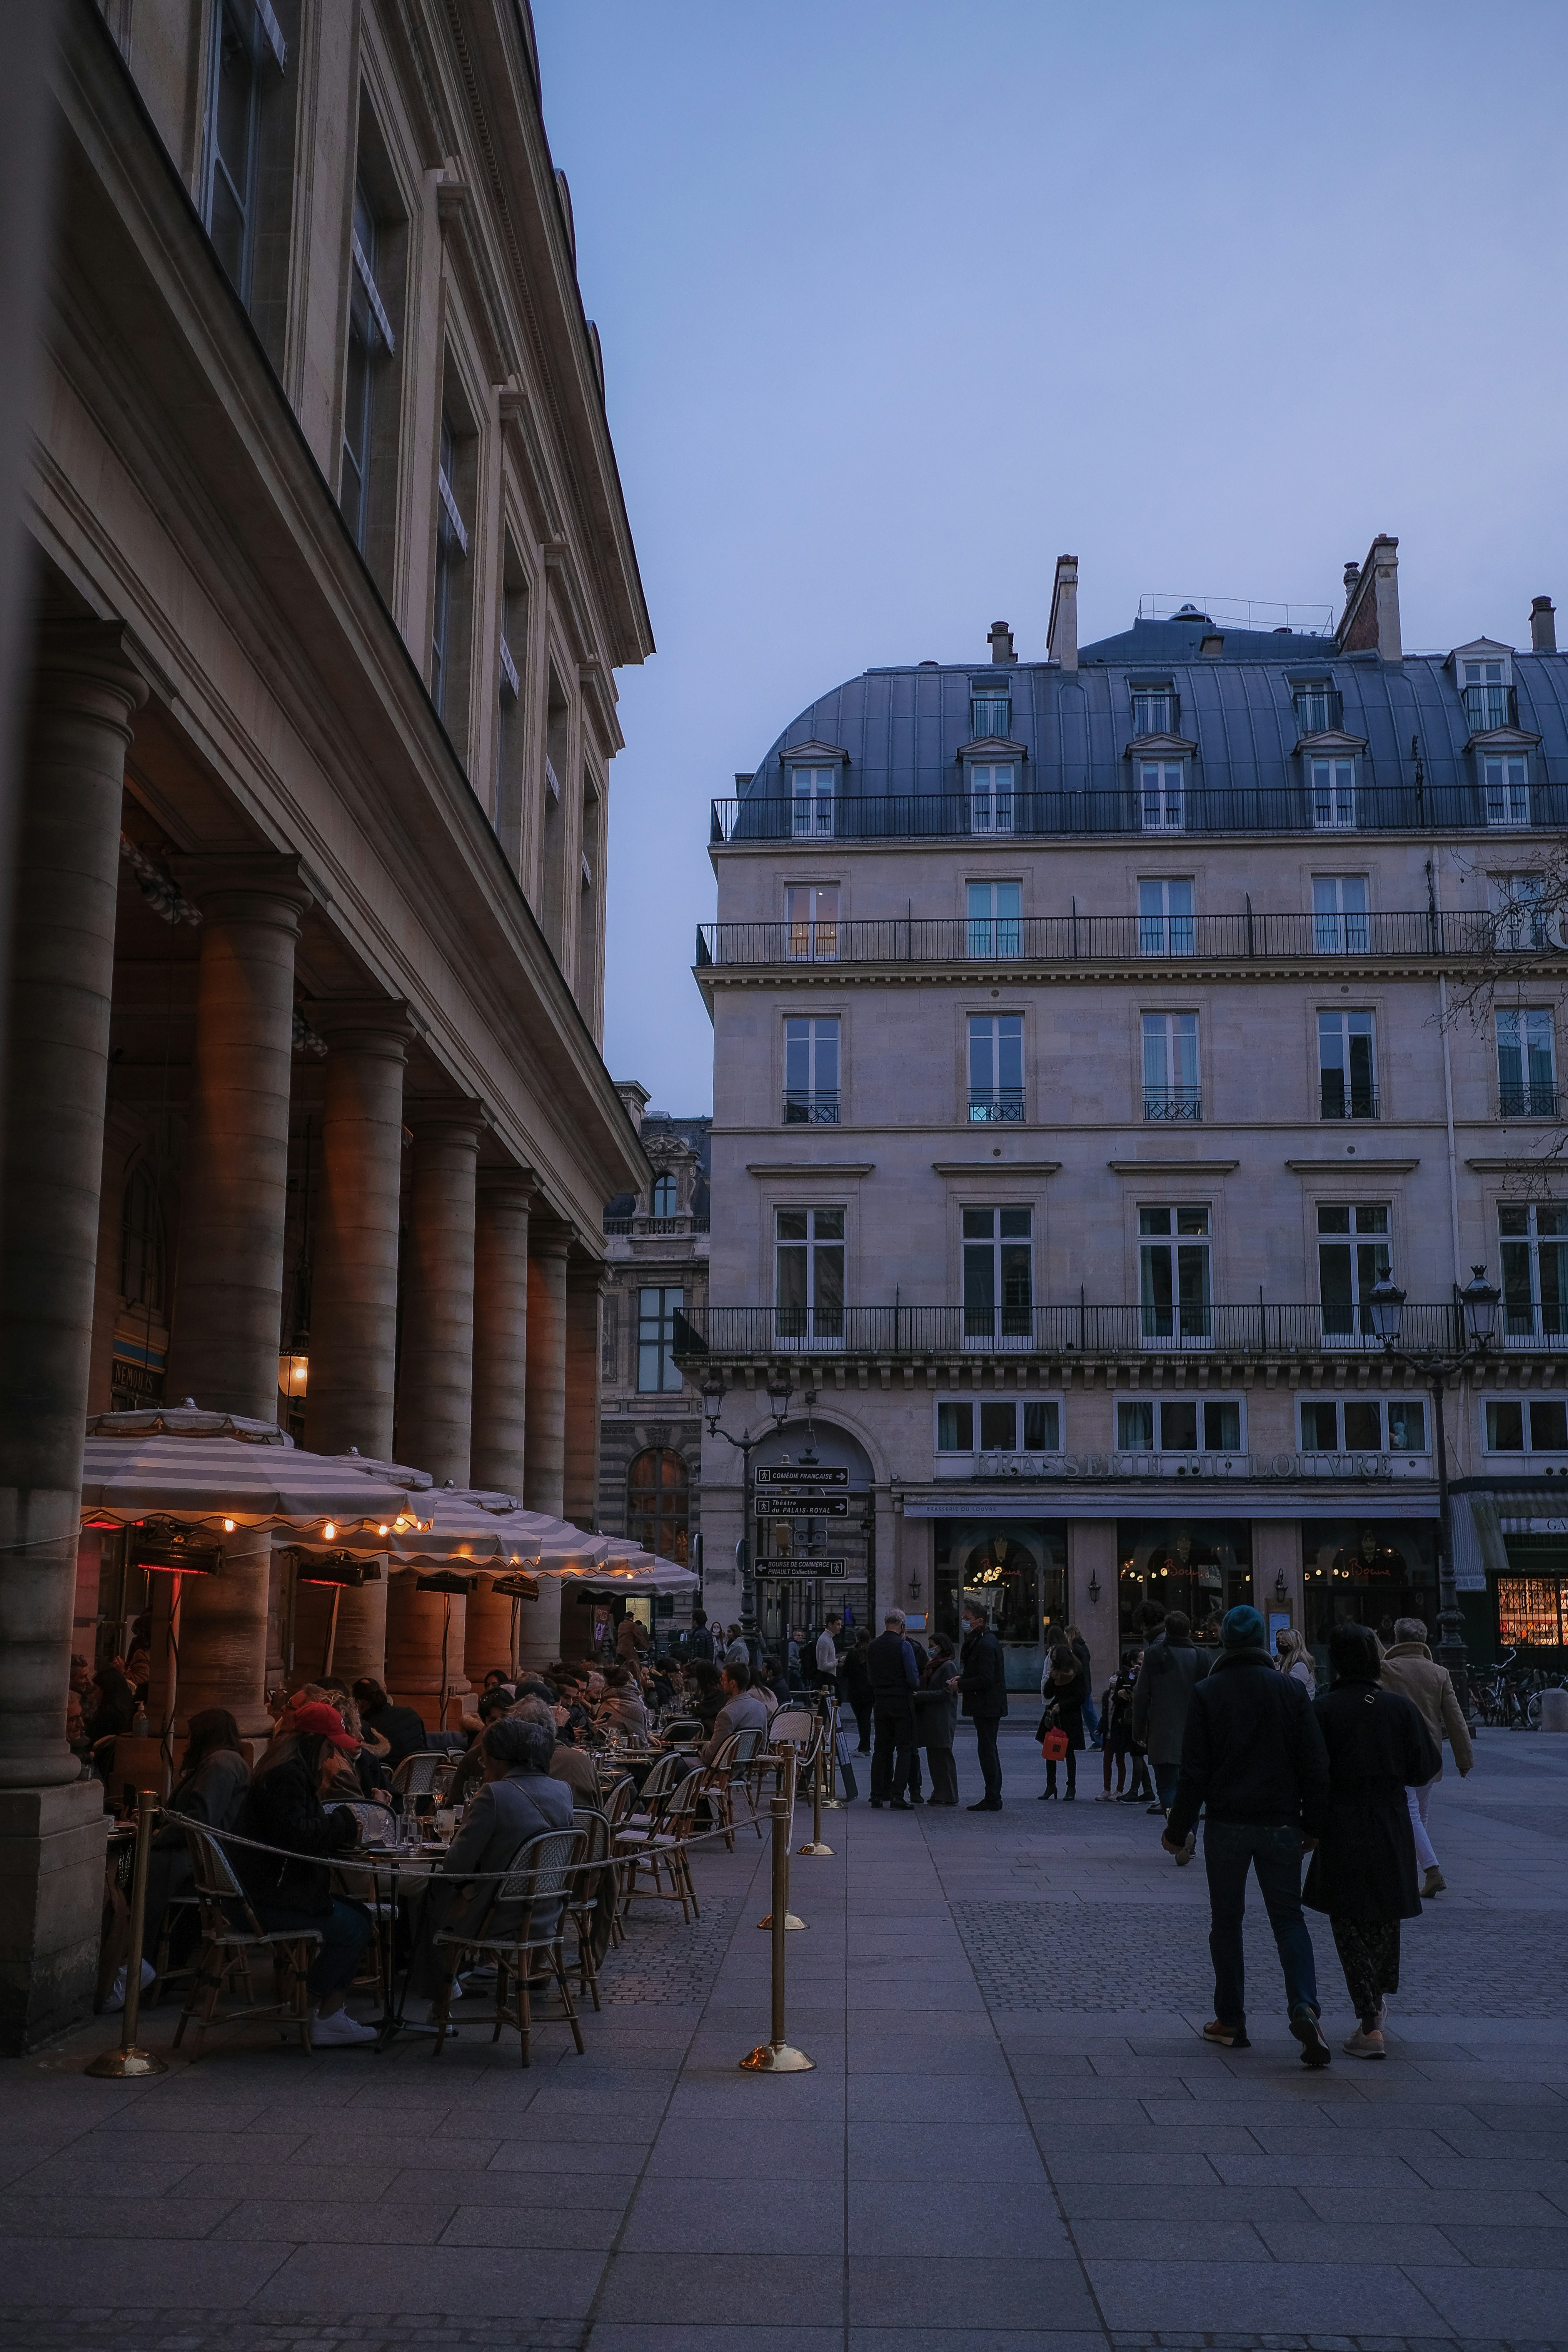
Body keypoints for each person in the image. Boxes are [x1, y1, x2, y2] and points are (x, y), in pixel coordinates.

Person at [1163, 1605, 1333, 2066]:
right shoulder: (1290, 1690)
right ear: (1261, 1641)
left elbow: (1193, 1771)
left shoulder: (1207, 1692)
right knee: (1288, 1920)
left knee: (1226, 1921)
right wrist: (1313, 1825)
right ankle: (1304, 2006)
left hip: (1226, 1824)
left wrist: (1177, 1830)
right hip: (1280, 1823)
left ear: (1225, 1642)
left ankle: (1230, 2020)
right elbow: (1314, 1763)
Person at [1305, 1621, 1441, 2058]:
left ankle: (1369, 2022)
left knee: (1347, 1923)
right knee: (1384, 1919)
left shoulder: (1324, 1709)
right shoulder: (1398, 1709)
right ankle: (1375, 2008)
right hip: (1389, 1822)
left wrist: (1310, 1826)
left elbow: (1311, 1773)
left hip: (1341, 1824)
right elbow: (1424, 1767)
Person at [231, 1703, 376, 2045]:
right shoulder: (287, 1777)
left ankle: (326, 2013)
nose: (331, 1756)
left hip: (265, 1891)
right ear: (312, 1743)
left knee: (361, 1916)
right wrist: (345, 1821)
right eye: (329, 1746)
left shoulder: (285, 1772)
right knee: (355, 1928)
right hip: (267, 1899)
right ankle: (308, 2011)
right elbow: (298, 1834)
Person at [1376, 1615, 1473, 1898]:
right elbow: (1456, 1719)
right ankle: (1416, 1872)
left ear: (1397, 1638)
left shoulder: (1387, 1670)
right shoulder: (1439, 1673)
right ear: (1424, 1640)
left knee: (1410, 1813)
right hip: (1430, 1754)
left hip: (1399, 1753)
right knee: (1420, 1813)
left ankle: (1431, 1870)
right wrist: (1464, 1759)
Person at [1132, 1610, 1211, 1816]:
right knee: (1192, 1791)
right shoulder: (1202, 1656)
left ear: (1167, 1631)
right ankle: (1187, 1829)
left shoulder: (1154, 1654)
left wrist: (1139, 1731)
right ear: (1189, 1631)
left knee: (1167, 1788)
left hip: (1162, 1733)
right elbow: (1210, 1696)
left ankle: (1177, 1828)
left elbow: (1141, 1695)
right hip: (1195, 1733)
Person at [957, 1600, 1008, 1810]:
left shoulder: (985, 1643)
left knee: (988, 1750)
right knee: (988, 1749)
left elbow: (986, 1678)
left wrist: (961, 1685)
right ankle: (992, 1795)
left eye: (967, 1619)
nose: (964, 1622)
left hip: (988, 1705)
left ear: (979, 1621)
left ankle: (993, 1797)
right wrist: (962, 1680)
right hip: (986, 1705)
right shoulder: (981, 1640)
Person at [867, 1610, 919, 1809]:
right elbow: (913, 1677)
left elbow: (870, 1675)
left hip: (880, 1701)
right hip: (901, 1701)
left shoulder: (874, 1645)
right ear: (902, 1625)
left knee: (881, 1749)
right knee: (905, 1749)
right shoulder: (904, 1646)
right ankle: (898, 1795)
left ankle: (877, 1794)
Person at [1039, 1641, 1088, 1800]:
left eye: (1055, 1658)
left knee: (1069, 1753)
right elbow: (1048, 1694)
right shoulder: (1056, 1672)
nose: (1053, 1661)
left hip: (1070, 1715)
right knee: (1050, 1752)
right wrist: (1051, 1679)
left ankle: (1071, 1787)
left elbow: (1080, 1697)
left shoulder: (1077, 1673)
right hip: (1055, 1715)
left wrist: (1063, 1705)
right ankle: (1051, 1785)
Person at [914, 1635, 960, 1805]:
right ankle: (940, 1792)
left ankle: (949, 1795)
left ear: (940, 1647)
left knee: (943, 1757)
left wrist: (921, 1695)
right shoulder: (935, 1666)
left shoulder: (948, 1666)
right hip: (933, 1718)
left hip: (942, 1718)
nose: (930, 1649)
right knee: (935, 1757)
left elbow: (946, 1692)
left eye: (932, 1646)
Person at [700, 1661, 771, 1765]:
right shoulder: (761, 1708)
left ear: (732, 1683)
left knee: (680, 1765)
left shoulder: (727, 1714)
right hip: (746, 1768)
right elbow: (761, 1748)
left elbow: (712, 1756)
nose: (721, 1683)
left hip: (722, 1770)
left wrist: (702, 1748)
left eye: (723, 1679)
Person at [351, 1679, 429, 1768]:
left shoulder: (366, 1728)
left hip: (389, 1775)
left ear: (359, 1704)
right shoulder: (412, 1714)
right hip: (422, 1772)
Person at [1099, 1650, 1138, 1799]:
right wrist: (1100, 1728)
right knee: (1107, 1760)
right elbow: (1105, 1714)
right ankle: (1107, 1789)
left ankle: (1119, 1789)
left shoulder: (1127, 1681)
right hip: (1110, 1731)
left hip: (1119, 1730)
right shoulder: (1107, 1695)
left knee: (1119, 1760)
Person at [1064, 1623, 1098, 1747]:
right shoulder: (1083, 1647)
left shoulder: (1075, 1649)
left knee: (1089, 1714)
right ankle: (1098, 1738)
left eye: (1066, 1635)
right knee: (1089, 1713)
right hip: (1086, 1685)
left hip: (1081, 1686)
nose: (1065, 1638)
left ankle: (1099, 1740)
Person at [597, 1663, 651, 1741]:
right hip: (626, 1746)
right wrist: (646, 1740)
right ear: (628, 1683)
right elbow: (640, 1740)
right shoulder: (632, 1705)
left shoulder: (606, 1703)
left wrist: (648, 1738)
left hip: (608, 1745)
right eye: (633, 1681)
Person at [842, 1628, 874, 1753]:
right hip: (870, 1691)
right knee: (866, 1719)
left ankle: (863, 1746)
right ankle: (866, 1746)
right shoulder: (872, 1653)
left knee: (860, 1719)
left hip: (855, 1692)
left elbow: (845, 1673)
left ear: (857, 1638)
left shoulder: (852, 1654)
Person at [1274, 1627, 1315, 1691]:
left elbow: (1292, 1690)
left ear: (1291, 1646)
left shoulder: (1300, 1666)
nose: (1279, 1645)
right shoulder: (1284, 1661)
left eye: (1283, 1643)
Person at [815, 1614, 842, 1690]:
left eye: (840, 1625)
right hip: (826, 1680)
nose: (840, 1627)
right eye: (838, 1624)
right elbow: (823, 1666)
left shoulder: (828, 1639)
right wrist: (838, 1662)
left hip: (829, 1678)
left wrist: (838, 1662)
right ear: (830, 1625)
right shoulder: (825, 1641)